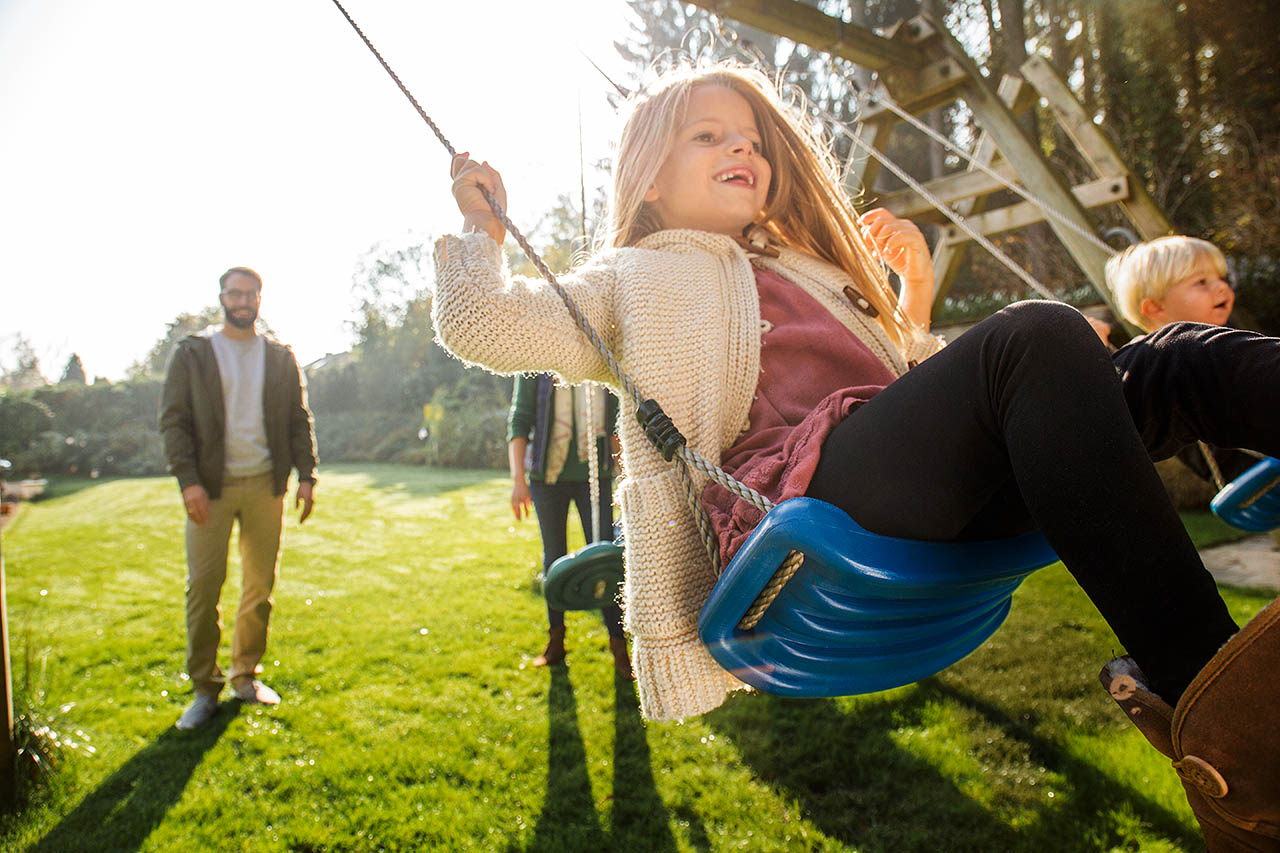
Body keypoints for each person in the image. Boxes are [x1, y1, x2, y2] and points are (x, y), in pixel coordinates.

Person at [433, 63, 1280, 843]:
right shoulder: (627, 277)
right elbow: (485, 324)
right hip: (798, 511)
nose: (743, 147)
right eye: (710, 135)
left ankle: (1241, 737)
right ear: (649, 176)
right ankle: (1240, 735)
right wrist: (481, 230)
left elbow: (915, 382)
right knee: (1038, 334)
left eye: (752, 139)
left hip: (907, 479)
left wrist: (915, 298)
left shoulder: (805, 265)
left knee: (1176, 359)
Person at [160, 266, 318, 731]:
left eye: (251, 294)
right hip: (210, 489)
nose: (243, 301)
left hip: (265, 486)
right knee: (204, 587)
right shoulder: (194, 353)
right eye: (235, 293)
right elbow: (174, 421)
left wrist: (307, 475)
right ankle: (204, 690)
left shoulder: (279, 356)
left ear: (260, 299)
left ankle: (245, 677)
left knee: (259, 589)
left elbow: (298, 419)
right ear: (222, 298)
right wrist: (188, 481)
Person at [1105, 236, 1262, 487]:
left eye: (1220, 278)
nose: (1222, 288)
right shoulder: (1151, 363)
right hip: (1251, 472)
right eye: (1201, 282)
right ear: (1155, 308)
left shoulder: (1230, 340)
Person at [507, 373, 631, 678]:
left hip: (596, 477)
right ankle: (556, 642)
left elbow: (615, 423)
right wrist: (518, 481)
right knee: (554, 558)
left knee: (606, 559)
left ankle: (619, 649)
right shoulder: (533, 362)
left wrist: (625, 478)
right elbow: (520, 420)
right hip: (547, 479)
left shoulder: (595, 359)